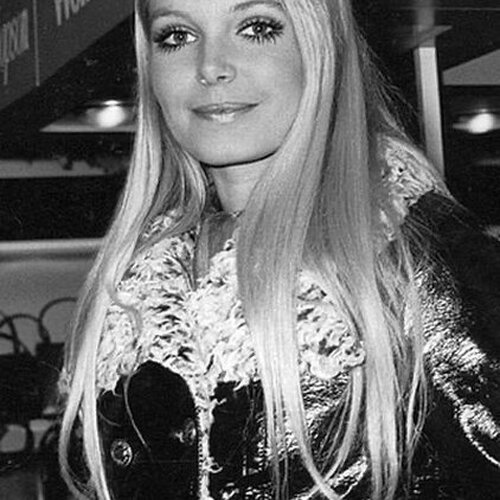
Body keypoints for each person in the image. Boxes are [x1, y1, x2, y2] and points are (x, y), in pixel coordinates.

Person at [58, 0, 500, 498]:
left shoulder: (419, 262)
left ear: (320, 48)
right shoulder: (127, 292)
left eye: (256, 28)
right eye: (177, 36)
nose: (210, 67)